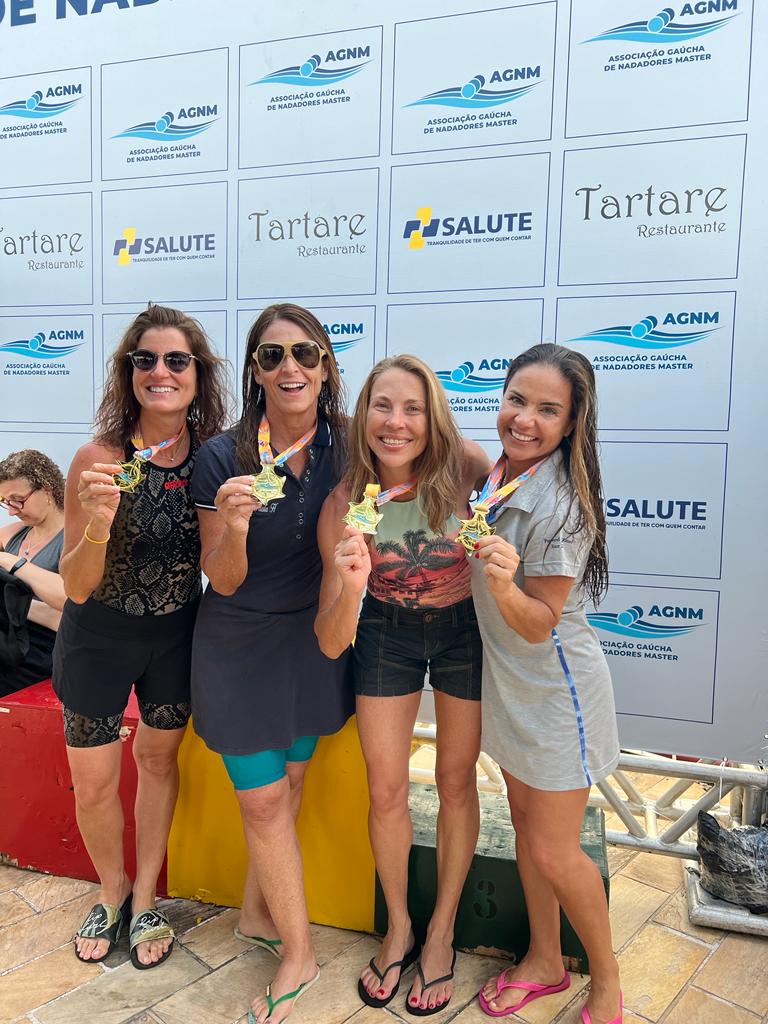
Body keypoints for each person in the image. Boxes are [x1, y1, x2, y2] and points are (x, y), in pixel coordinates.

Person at [189, 303, 353, 1024]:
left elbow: (430, 451)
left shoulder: (349, 444)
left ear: (325, 367)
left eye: (305, 353)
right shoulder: (222, 457)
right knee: (260, 802)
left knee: (288, 787)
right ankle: (299, 953)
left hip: (312, 639)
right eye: (272, 355)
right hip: (238, 641)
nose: (291, 367)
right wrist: (231, 527)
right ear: (255, 372)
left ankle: (258, 914)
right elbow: (222, 579)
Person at [314, 354, 491, 1016]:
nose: (397, 422)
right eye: (383, 406)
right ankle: (400, 928)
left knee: (455, 781)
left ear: (433, 417)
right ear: (364, 417)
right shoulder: (344, 503)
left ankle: (441, 932)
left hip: (464, 628)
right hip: (384, 631)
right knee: (385, 789)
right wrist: (351, 585)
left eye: (413, 408)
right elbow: (331, 640)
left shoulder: (467, 467)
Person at [53, 304, 228, 970]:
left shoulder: (214, 457)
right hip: (97, 637)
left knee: (158, 763)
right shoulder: (98, 458)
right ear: (128, 373)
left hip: (176, 637)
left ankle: (148, 894)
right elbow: (75, 585)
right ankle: (112, 890)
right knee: (96, 785)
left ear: (197, 373)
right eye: (145, 359)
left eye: (177, 359)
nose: (161, 371)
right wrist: (99, 523)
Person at [472, 344, 622, 1024]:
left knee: (555, 851)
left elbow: (539, 624)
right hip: (509, 688)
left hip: (558, 697)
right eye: (516, 400)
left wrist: (505, 585)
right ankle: (544, 959)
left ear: (570, 424)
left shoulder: (559, 504)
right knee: (527, 831)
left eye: (547, 409)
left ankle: (608, 983)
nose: (525, 419)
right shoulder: (499, 475)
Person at [0, 450, 66, 696]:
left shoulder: (74, 540)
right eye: (5, 502)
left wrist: (11, 563)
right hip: (11, 637)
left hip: (44, 647)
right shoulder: (13, 533)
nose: (12, 510)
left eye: (18, 500)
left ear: (47, 490)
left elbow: (72, 604)